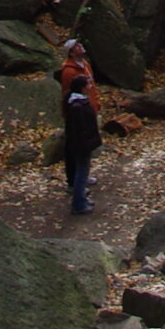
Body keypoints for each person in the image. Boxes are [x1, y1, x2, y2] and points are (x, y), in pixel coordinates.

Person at [61, 55, 103, 215]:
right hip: (81, 144)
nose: (89, 85)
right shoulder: (78, 106)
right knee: (81, 173)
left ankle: (81, 199)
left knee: (82, 171)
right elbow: (81, 129)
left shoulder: (77, 102)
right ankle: (78, 203)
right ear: (82, 88)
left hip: (80, 143)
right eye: (87, 84)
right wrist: (88, 144)